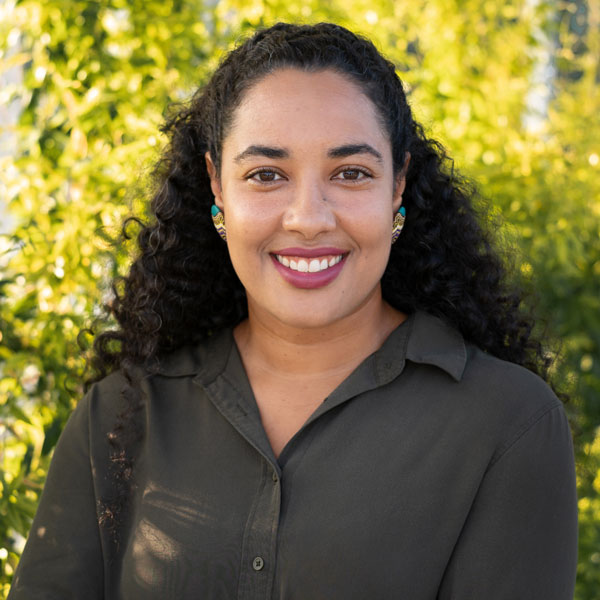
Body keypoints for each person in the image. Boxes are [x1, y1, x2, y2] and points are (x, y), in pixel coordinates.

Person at [9, 22, 578, 600]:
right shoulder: (121, 415)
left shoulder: (506, 424)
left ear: (398, 184)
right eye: (266, 175)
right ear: (217, 187)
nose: (308, 218)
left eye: (351, 173)